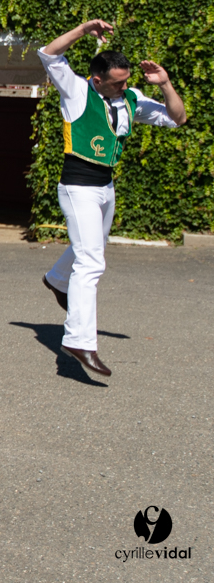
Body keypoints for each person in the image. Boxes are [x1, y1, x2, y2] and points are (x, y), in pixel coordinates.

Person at [38, 20, 186, 377]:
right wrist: (84, 29)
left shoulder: (131, 98)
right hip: (78, 187)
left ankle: (57, 278)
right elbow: (48, 54)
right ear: (98, 79)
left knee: (92, 247)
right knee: (91, 262)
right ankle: (79, 341)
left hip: (106, 187)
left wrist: (165, 84)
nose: (124, 86)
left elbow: (177, 118)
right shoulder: (77, 90)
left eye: (126, 80)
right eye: (117, 82)